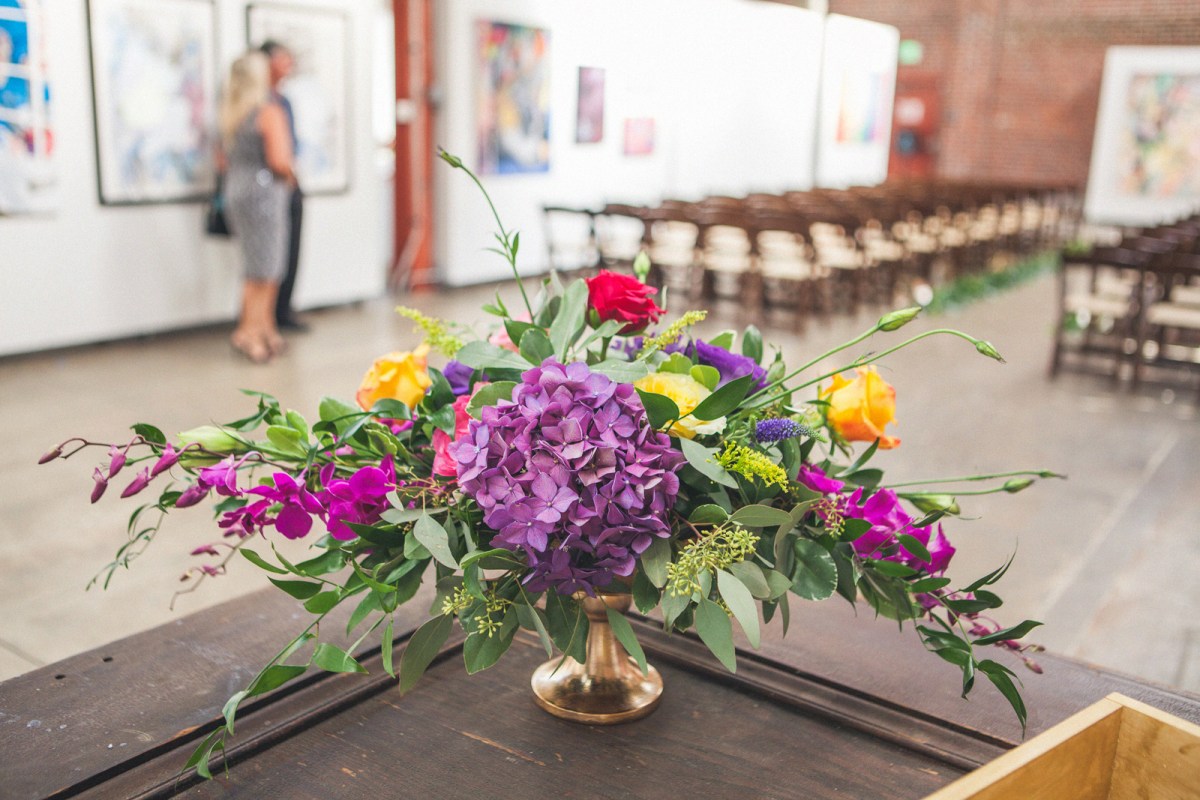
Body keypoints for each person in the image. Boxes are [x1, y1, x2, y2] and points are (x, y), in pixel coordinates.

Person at [218, 51, 295, 363]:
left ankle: (264, 328)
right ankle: (249, 333)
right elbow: (280, 160)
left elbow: (222, 161)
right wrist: (292, 176)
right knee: (265, 269)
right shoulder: (268, 112)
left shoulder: (231, 115)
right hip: (265, 195)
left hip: (237, 191)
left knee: (256, 266)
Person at [259, 40, 306, 332]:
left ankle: (282, 311)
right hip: (269, 189)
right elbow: (277, 157)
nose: (289, 66)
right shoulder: (262, 104)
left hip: (288, 184)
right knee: (265, 258)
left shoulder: (283, 101)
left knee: (289, 251)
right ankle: (263, 320)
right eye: (283, 59)